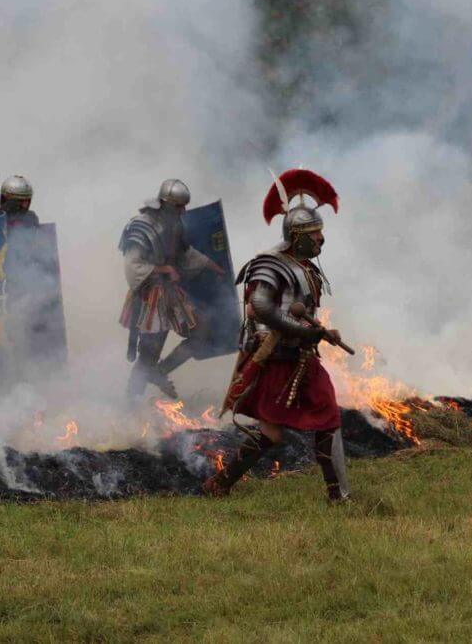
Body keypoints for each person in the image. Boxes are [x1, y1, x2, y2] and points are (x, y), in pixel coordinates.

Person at [204, 169, 352, 502]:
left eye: (320, 233)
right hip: (274, 358)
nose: (320, 240)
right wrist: (305, 331)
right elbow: (261, 308)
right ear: (296, 235)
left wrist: (316, 332)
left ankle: (338, 496)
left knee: (328, 416)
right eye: (313, 234)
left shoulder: (306, 266)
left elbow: (301, 312)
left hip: (301, 357)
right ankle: (221, 484)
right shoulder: (270, 264)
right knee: (272, 432)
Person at [118, 179, 224, 398]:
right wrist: (164, 269)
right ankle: (128, 406)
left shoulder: (174, 224)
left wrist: (212, 266)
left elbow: (185, 254)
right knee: (148, 355)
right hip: (148, 297)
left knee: (201, 331)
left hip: (170, 294)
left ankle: (159, 372)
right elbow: (133, 267)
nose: (183, 210)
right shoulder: (141, 226)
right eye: (178, 206)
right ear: (166, 204)